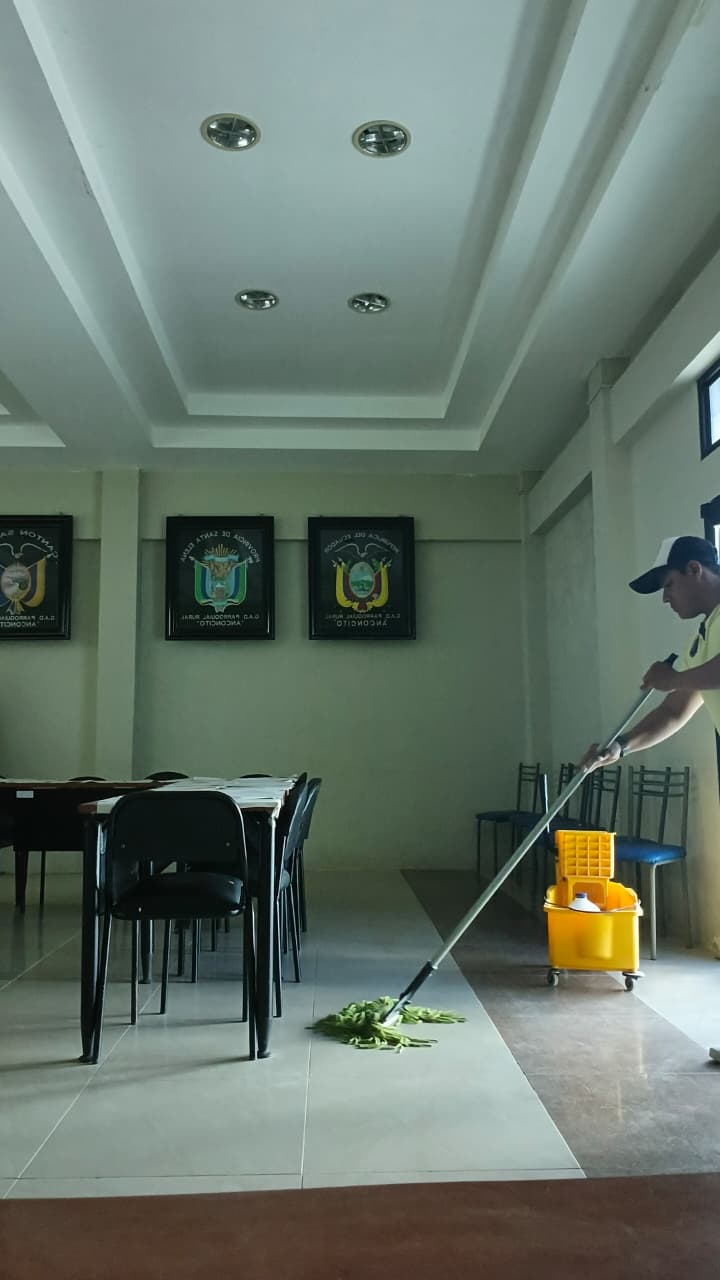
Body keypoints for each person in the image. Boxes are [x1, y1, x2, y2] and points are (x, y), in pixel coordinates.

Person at [581, 534, 720, 1063]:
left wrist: (674, 676)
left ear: (694, 569)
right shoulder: (704, 633)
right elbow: (674, 711)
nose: (666, 599)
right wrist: (618, 748)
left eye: (668, 585)